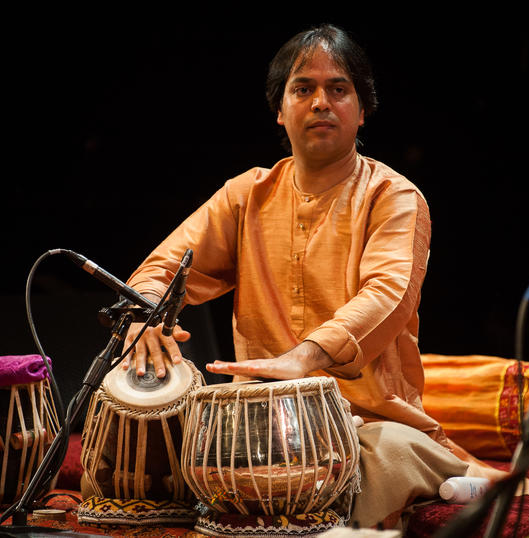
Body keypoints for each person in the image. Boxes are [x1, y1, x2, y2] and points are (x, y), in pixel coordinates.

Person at [120, 23, 470, 528]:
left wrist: (301, 359)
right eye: (303, 89)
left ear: (362, 108)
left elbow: (388, 294)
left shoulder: (392, 197)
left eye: (339, 89)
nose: (321, 102)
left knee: (369, 466)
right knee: (144, 457)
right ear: (279, 110)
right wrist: (145, 314)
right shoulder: (247, 195)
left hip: (370, 424)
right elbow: (162, 268)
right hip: (258, 422)